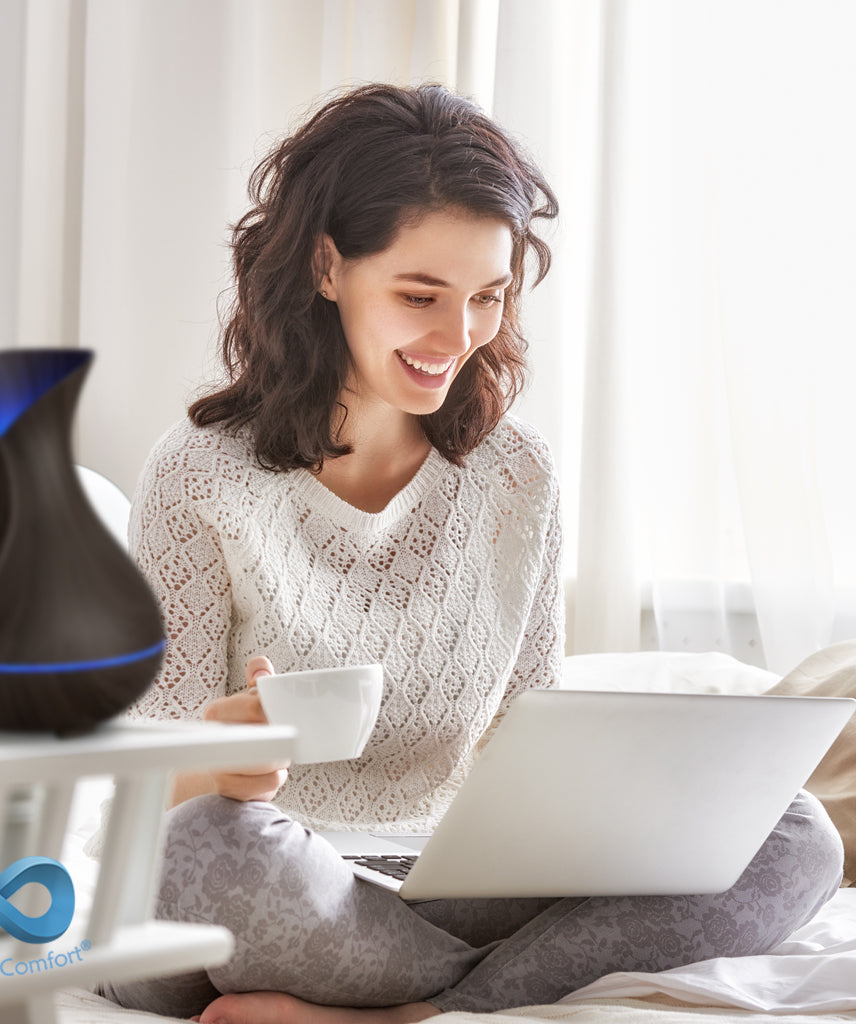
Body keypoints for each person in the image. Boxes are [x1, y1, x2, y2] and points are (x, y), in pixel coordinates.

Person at [99, 84, 843, 1023]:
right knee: (211, 846)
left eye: (487, 299)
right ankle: (464, 991)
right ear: (327, 267)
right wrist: (227, 762)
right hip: (242, 881)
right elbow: (152, 793)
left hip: (435, 883)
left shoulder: (517, 477)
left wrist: (618, 804)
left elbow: (522, 742)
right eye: (421, 296)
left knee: (794, 833)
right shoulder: (200, 474)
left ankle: (403, 1015)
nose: (458, 339)